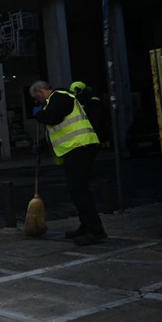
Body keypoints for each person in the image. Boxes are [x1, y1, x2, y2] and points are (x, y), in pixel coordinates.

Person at [30, 80, 106, 246]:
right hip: (75, 148)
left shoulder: (60, 96)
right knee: (77, 190)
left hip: (80, 146)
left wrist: (38, 114)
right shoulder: (56, 101)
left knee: (79, 190)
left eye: (36, 98)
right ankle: (86, 226)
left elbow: (53, 117)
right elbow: (58, 129)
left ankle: (95, 230)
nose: (37, 102)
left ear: (41, 91)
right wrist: (41, 145)